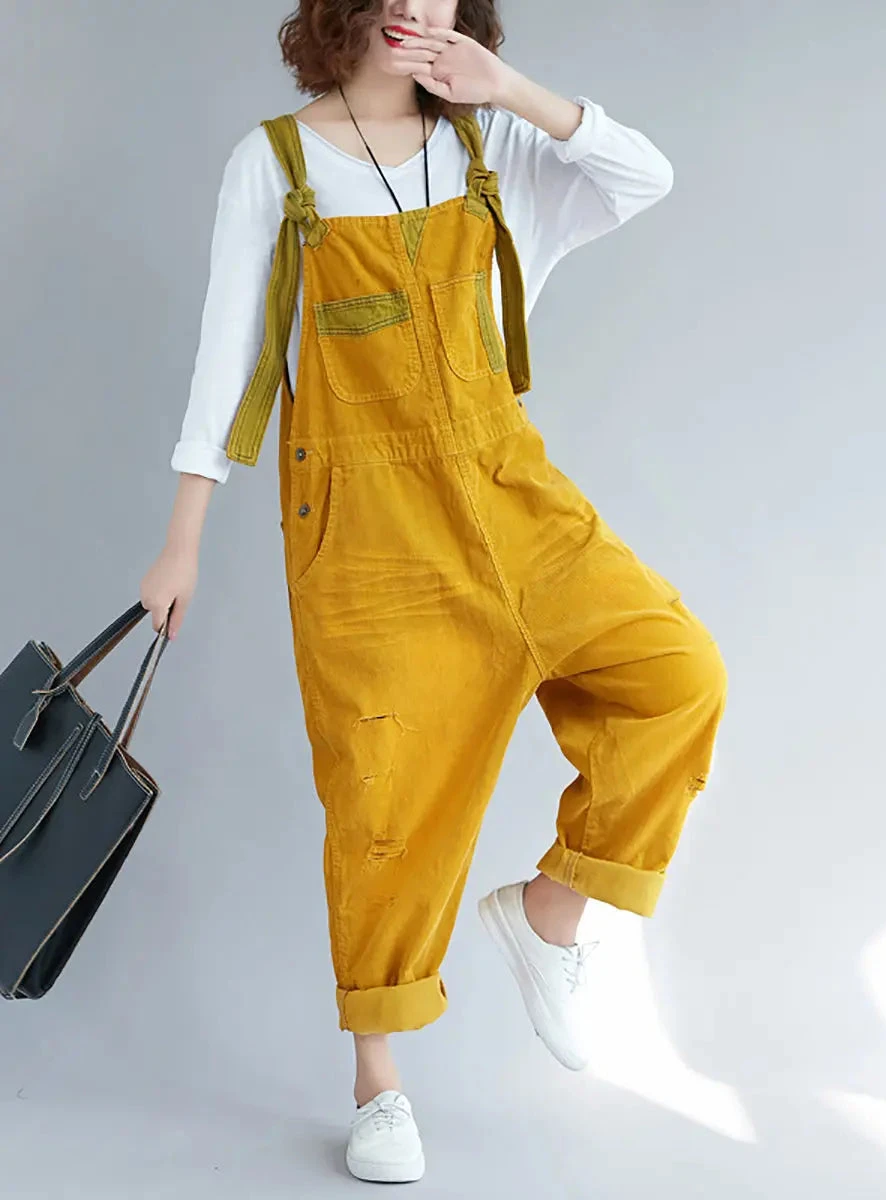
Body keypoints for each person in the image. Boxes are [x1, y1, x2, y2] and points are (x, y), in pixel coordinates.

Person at [141, 0, 728, 1184]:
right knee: (383, 799)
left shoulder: (491, 143)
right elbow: (226, 356)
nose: (419, 6)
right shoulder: (276, 164)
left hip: (511, 494)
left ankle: (551, 915)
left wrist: (509, 92)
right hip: (369, 535)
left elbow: (645, 174)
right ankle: (380, 1084)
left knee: (678, 676)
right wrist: (181, 542)